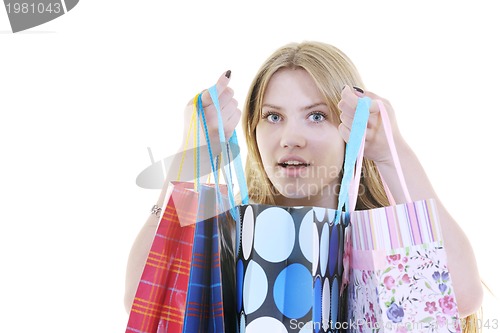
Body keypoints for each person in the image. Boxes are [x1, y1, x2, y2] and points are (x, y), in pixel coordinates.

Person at [125, 41, 483, 331]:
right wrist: (192, 155)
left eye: (316, 115)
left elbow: (461, 296)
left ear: (349, 133)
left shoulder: (383, 243)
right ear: (253, 130)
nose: (290, 138)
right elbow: (143, 300)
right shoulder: (225, 228)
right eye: (273, 116)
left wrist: (393, 154)